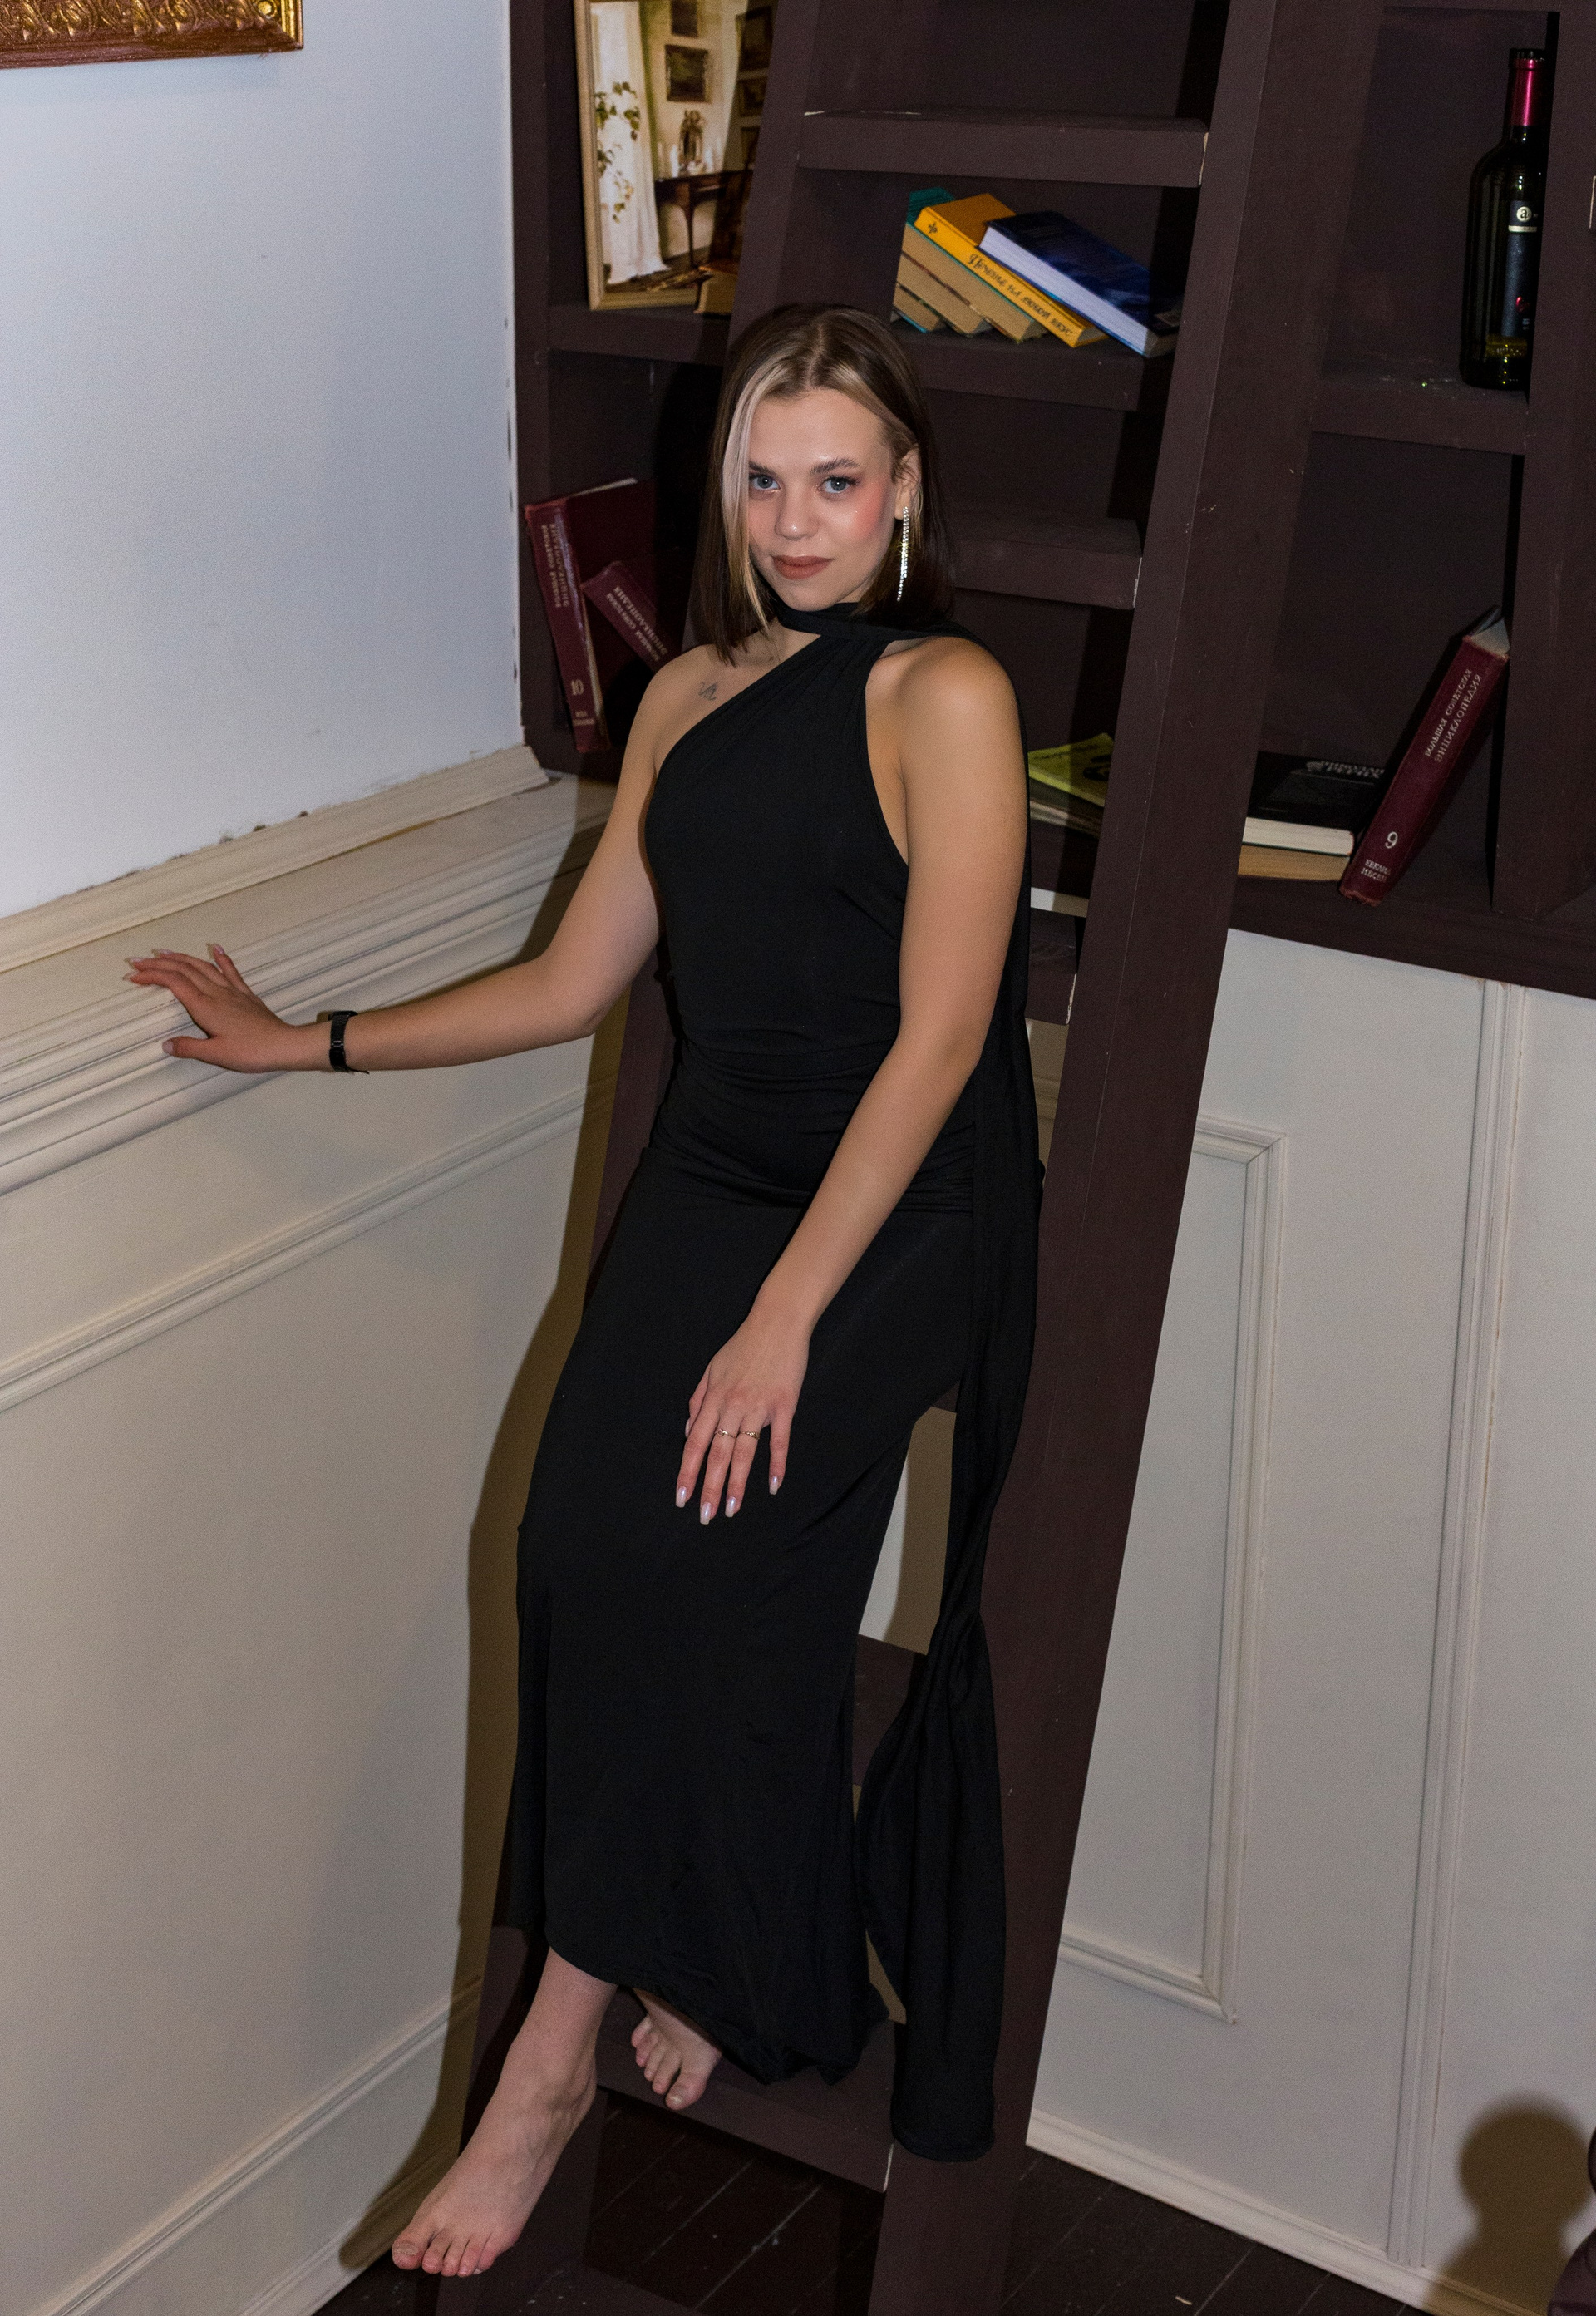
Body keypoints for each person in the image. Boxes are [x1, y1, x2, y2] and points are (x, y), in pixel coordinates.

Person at [126, 305, 1039, 2283]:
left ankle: (548, 2060)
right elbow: (570, 980)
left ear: (904, 493)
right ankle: (703, 1946)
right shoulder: (687, 694)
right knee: (574, 1546)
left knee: (714, 1549)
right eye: (763, 481)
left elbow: (946, 1040)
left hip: (902, 1203)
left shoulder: (943, 691)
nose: (796, 521)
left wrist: (787, 1315)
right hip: (720, 1167)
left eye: (838, 481)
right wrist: (305, 1040)